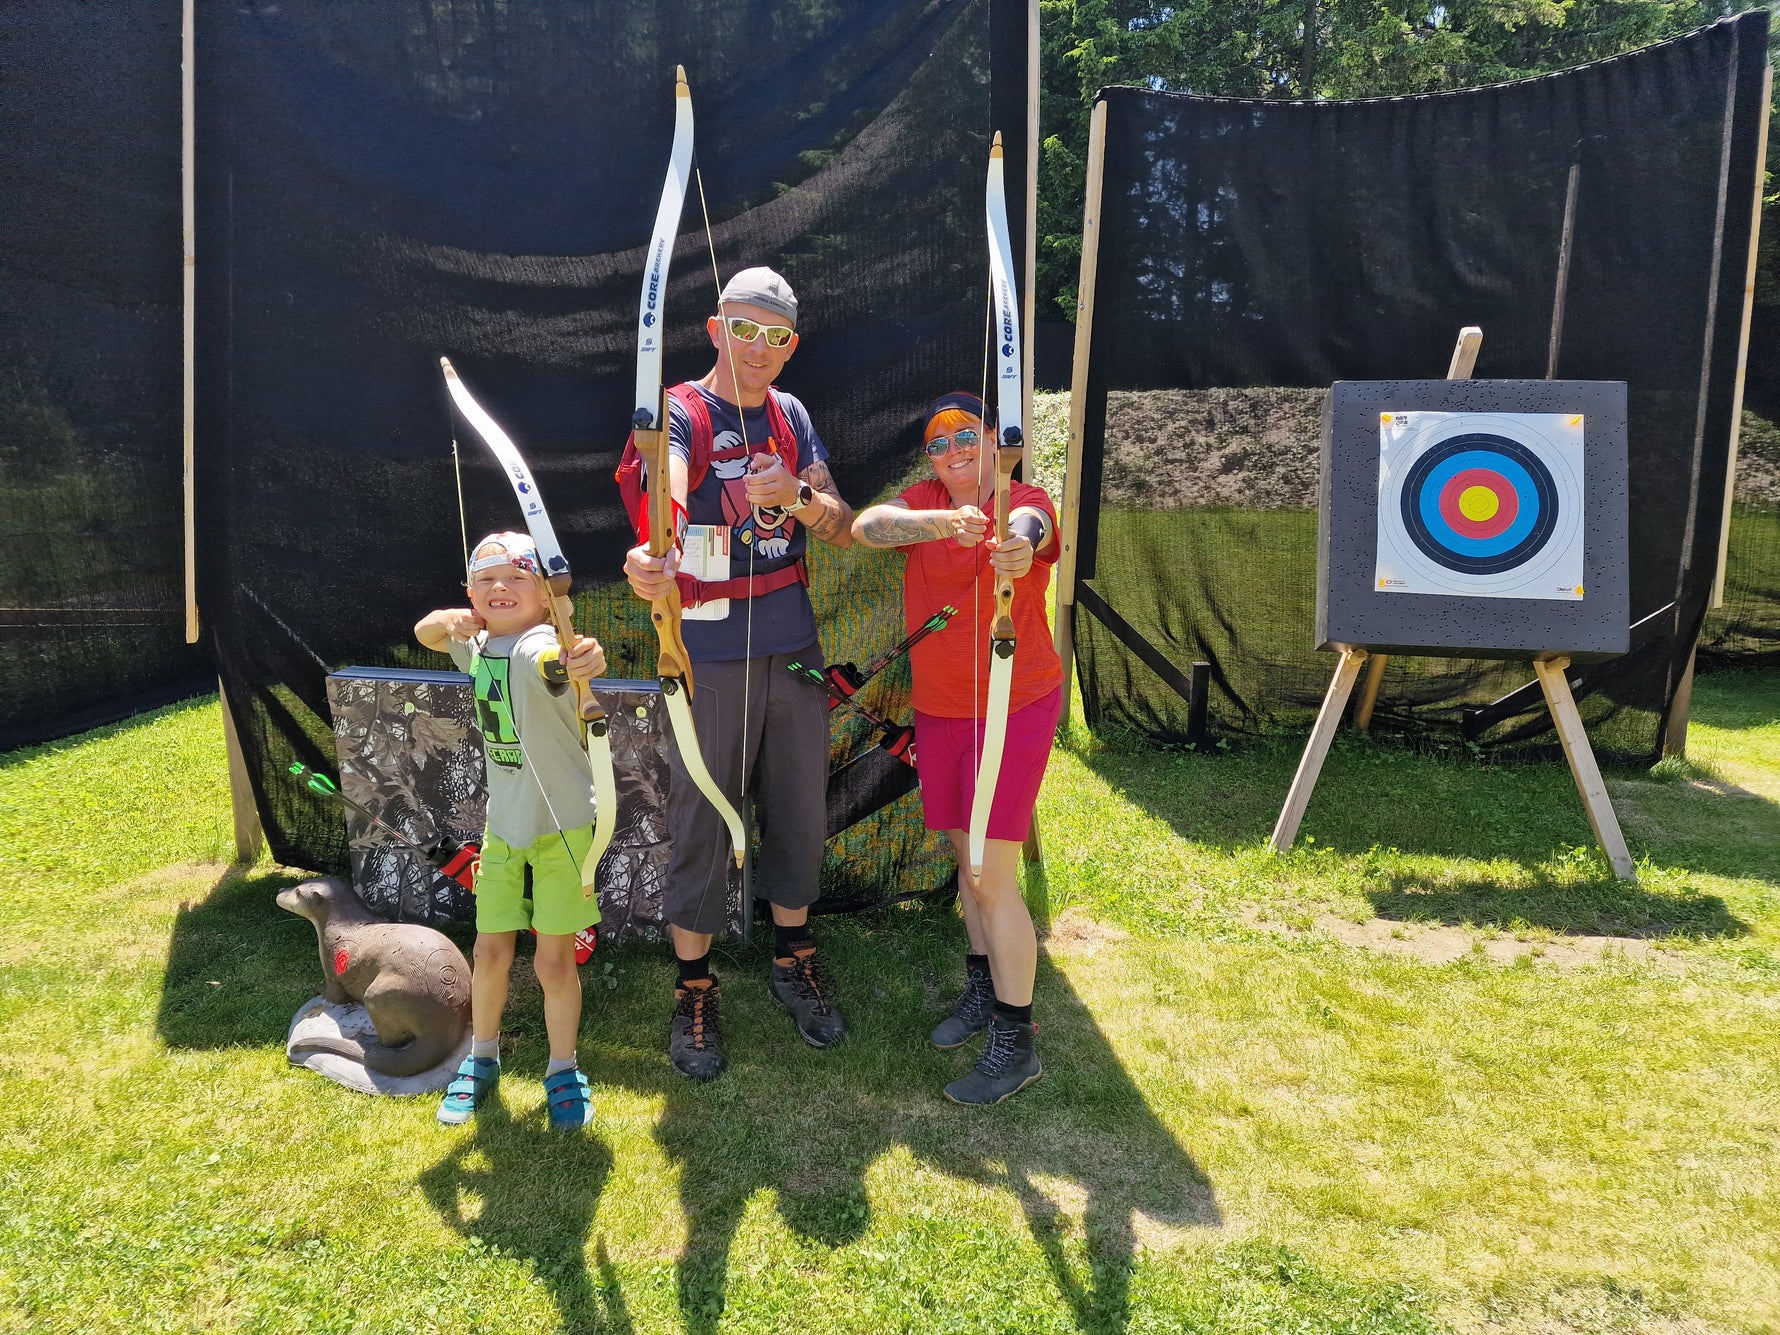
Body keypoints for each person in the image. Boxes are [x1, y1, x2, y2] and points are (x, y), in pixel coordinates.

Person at [621, 266, 856, 1081]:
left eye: (777, 336)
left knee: (796, 802)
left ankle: (794, 956)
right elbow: (670, 482)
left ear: (791, 348)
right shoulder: (683, 411)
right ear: (716, 327)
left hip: (790, 637)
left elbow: (845, 527)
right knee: (701, 813)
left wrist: (797, 496)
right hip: (706, 647)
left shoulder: (791, 415)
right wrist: (655, 549)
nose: (759, 347)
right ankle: (694, 985)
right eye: (744, 328)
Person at [850, 391, 1062, 1104]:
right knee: (962, 858)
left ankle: (1016, 1037)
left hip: (1014, 704)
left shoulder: (1023, 496)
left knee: (990, 875)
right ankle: (982, 985)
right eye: (938, 443)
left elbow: (1035, 524)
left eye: (967, 435)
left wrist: (1017, 541)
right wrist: (943, 518)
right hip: (941, 709)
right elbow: (869, 525)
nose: (953, 451)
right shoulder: (925, 500)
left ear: (995, 440)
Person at [415, 531, 608, 1131]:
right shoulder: (475, 647)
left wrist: (580, 659)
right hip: (504, 829)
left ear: (547, 597)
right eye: (486, 579)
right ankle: (482, 1057)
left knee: (554, 963)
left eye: (518, 578)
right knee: (490, 952)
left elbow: (558, 662)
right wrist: (451, 618)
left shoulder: (536, 646)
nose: (500, 588)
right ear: (471, 593)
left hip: (566, 829)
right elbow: (426, 631)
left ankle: (561, 1067)